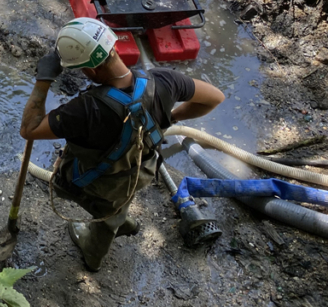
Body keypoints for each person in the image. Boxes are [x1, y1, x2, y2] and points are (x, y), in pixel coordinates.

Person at [19, 17, 225, 272]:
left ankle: (95, 251)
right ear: (114, 47)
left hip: (103, 183)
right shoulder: (164, 81)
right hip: (141, 168)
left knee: (100, 205)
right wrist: (171, 117)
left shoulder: (84, 110)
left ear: (91, 71)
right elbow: (215, 97)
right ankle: (119, 219)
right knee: (120, 198)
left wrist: (43, 80)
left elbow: (28, 130)